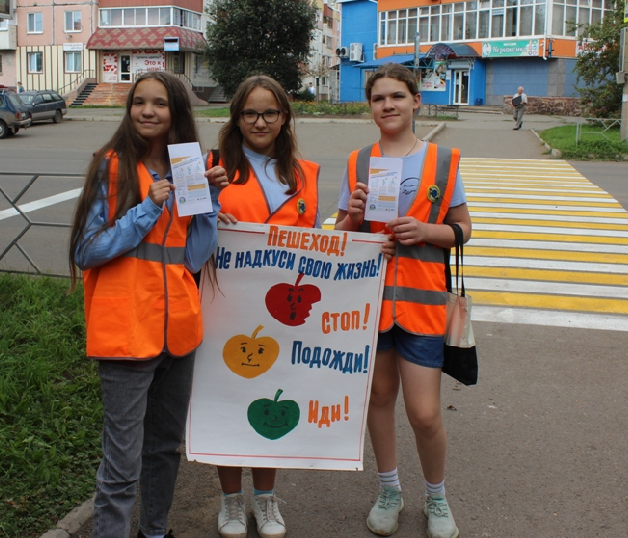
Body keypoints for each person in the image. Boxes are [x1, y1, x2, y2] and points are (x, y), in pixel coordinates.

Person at [68, 71, 229, 538]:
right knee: (121, 463)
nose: (147, 111)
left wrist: (210, 200)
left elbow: (194, 256)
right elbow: (86, 250)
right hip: (125, 333)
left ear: (176, 112)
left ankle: (154, 532)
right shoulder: (112, 165)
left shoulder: (187, 169)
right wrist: (147, 208)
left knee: (162, 449)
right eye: (139, 102)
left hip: (178, 332)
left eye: (159, 103)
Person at [334, 63, 471, 538]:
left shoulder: (443, 159)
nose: (387, 105)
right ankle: (389, 489)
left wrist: (425, 231)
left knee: (425, 413)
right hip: (369, 304)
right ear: (369, 106)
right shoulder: (357, 161)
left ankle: (437, 496)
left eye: (396, 96)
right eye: (378, 98)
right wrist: (352, 219)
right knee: (379, 398)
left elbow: (462, 230)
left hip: (423, 305)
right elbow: (338, 238)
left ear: (416, 100)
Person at [208, 75, 321, 538]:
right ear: (236, 117)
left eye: (270, 113)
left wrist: (355, 226)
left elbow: (316, 242)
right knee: (228, 399)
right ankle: (232, 501)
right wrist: (207, 212)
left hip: (283, 311)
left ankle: (266, 500)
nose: (260, 121)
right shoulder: (212, 166)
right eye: (250, 113)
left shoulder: (306, 172)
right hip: (224, 306)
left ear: (284, 118)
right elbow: (182, 227)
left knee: (276, 399)